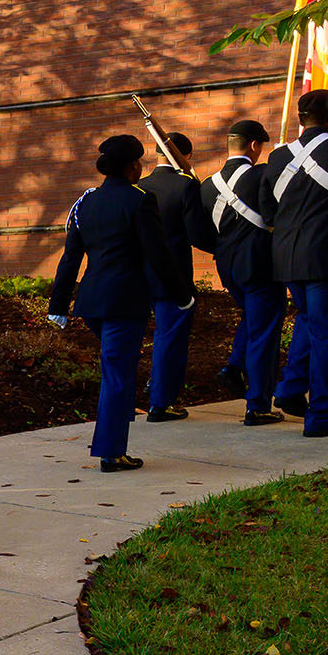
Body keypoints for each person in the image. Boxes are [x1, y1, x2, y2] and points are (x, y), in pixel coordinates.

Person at [48, 134, 194, 472]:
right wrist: (182, 295)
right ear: (132, 166)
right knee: (117, 374)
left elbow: (70, 259)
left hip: (93, 301)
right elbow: (159, 254)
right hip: (125, 301)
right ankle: (112, 452)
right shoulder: (140, 200)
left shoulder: (85, 203)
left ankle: (116, 435)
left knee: (117, 369)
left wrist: (58, 304)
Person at [258, 88, 328, 437]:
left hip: (287, 257)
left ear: (301, 119)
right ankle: (323, 416)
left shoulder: (277, 158)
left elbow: (267, 211)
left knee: (309, 322)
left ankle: (291, 389)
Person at [199, 119, 288, 425]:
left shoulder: (207, 185)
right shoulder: (263, 175)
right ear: (254, 146)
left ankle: (235, 364)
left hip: (227, 265)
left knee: (253, 318)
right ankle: (258, 404)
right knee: (265, 333)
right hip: (261, 264)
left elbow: (200, 231)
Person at [134, 132, 212, 421]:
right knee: (171, 339)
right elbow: (196, 233)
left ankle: (153, 393)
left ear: (155, 154)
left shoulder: (139, 186)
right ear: (186, 156)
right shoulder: (185, 185)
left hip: (141, 276)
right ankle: (161, 401)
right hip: (173, 276)